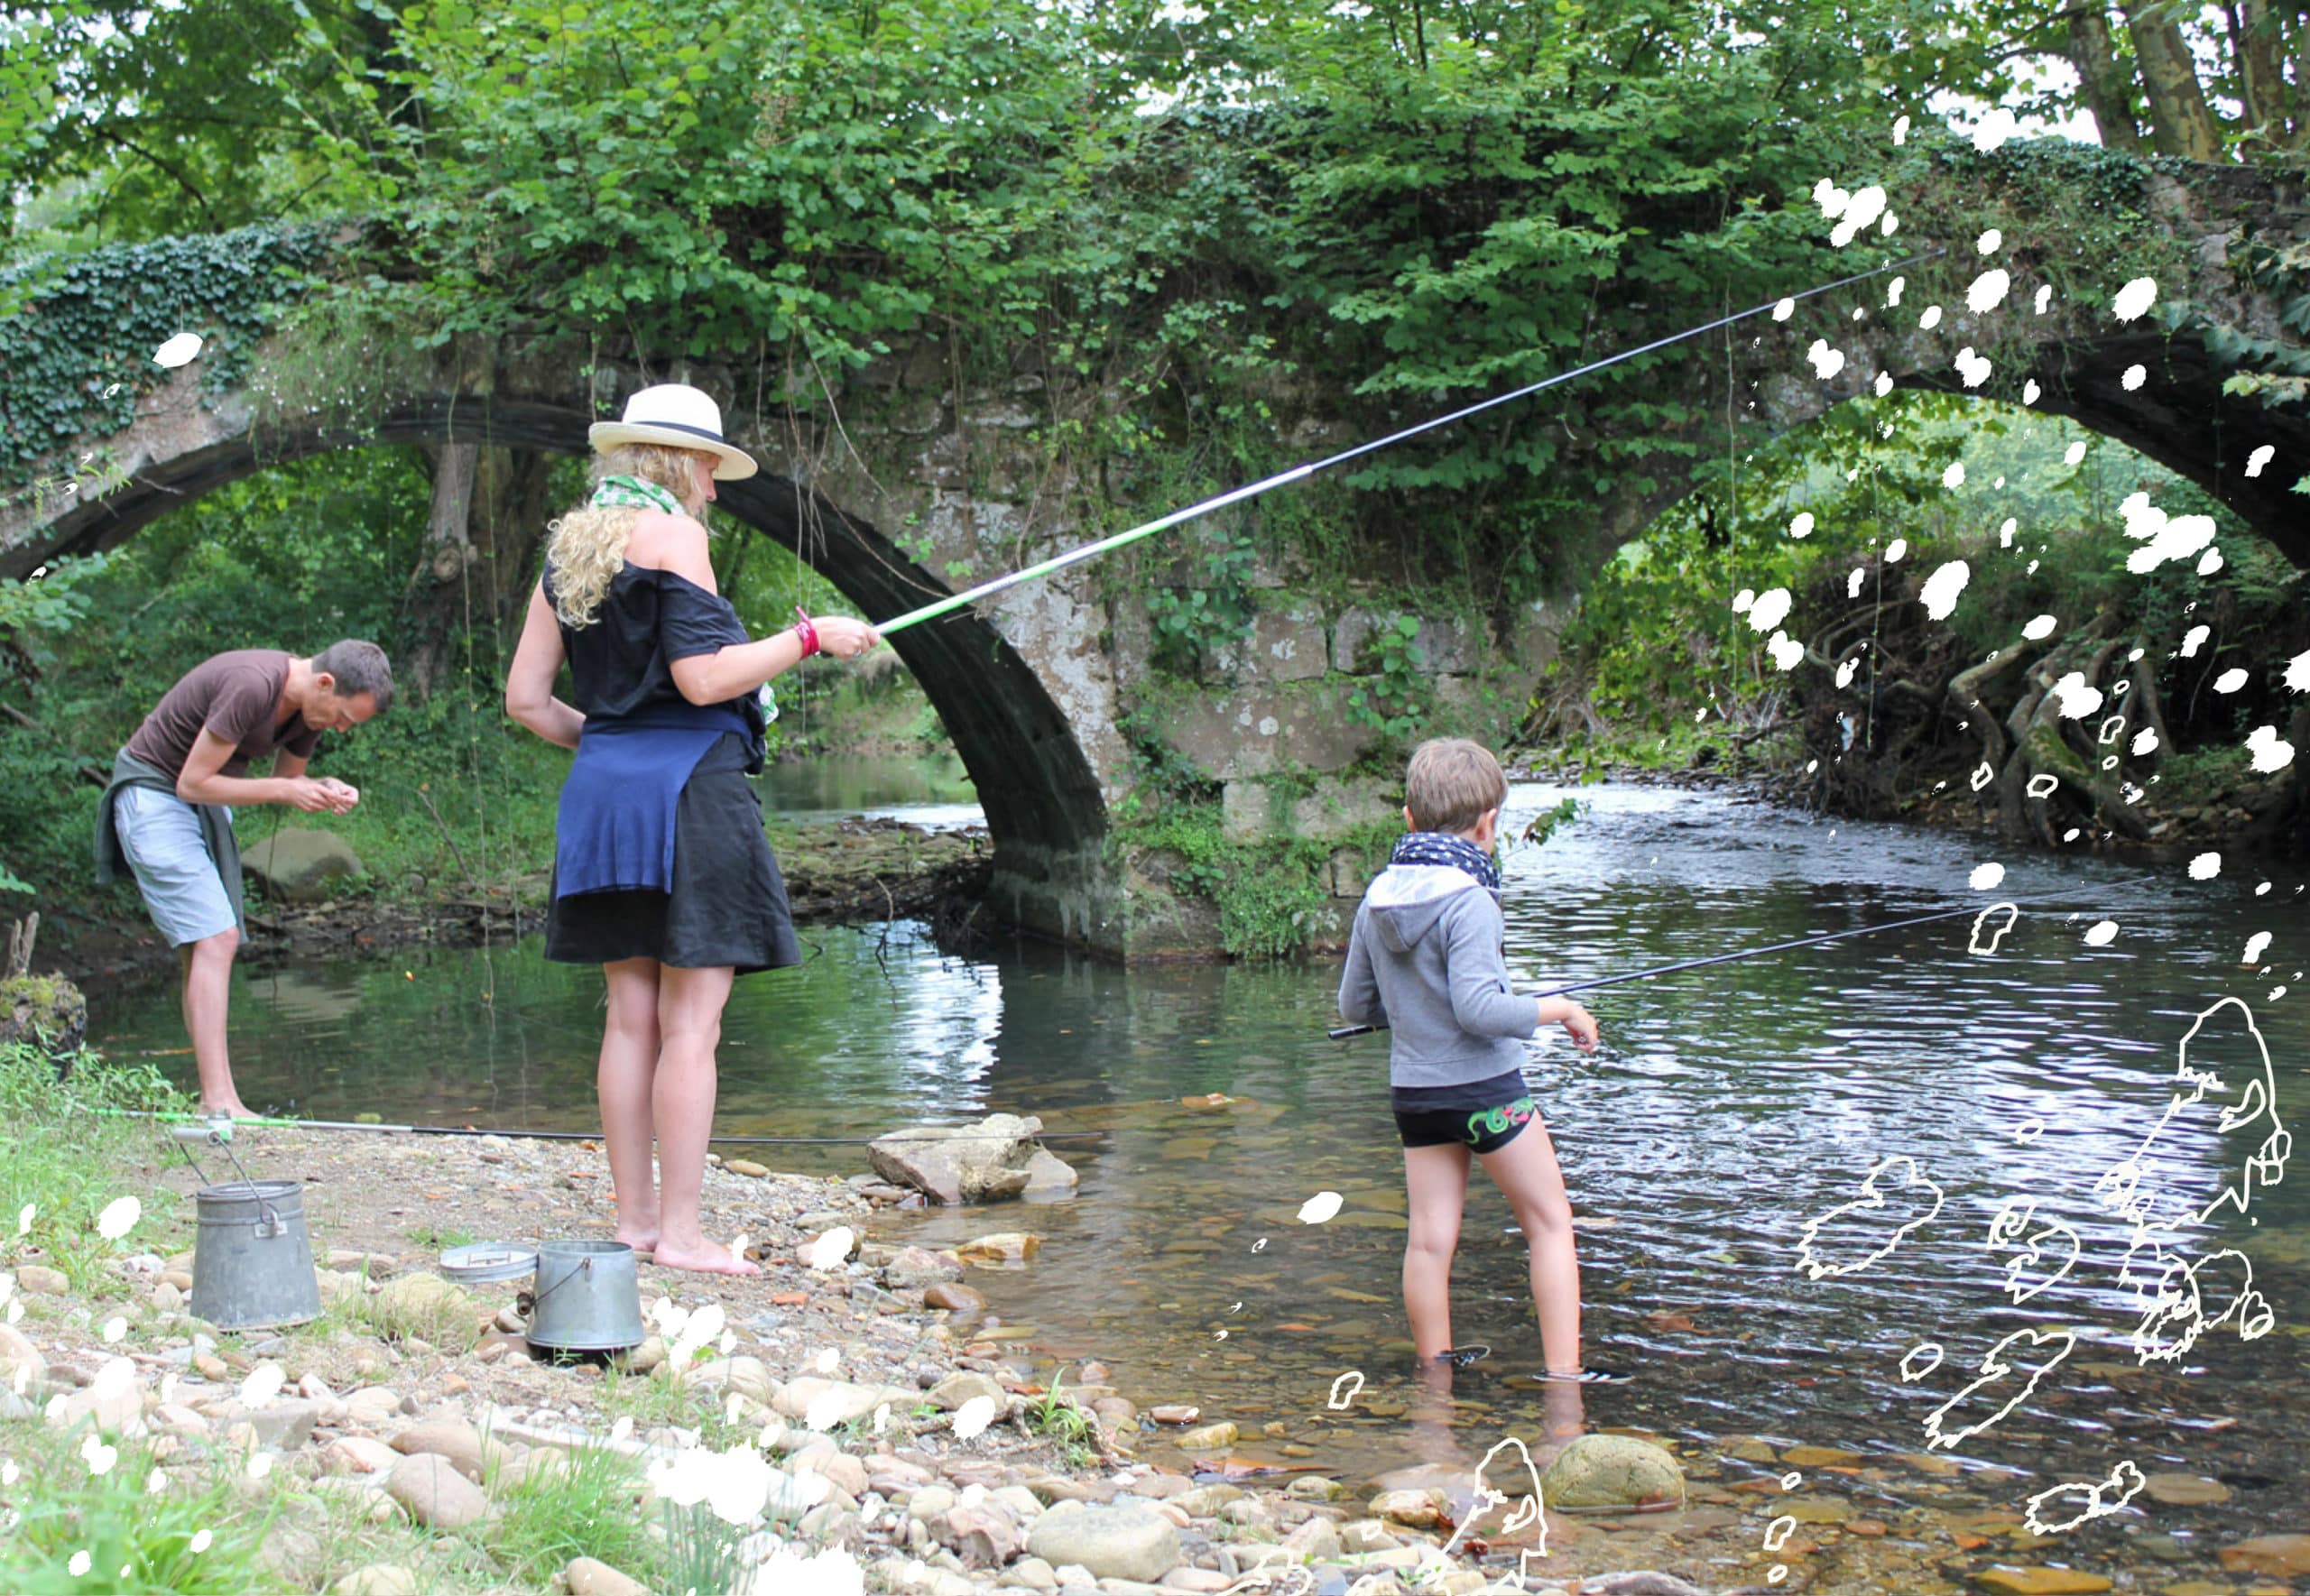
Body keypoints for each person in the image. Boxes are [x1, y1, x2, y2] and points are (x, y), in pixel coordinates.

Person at [506, 383, 879, 1278]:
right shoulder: (677, 536)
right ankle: (680, 1234)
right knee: (691, 1024)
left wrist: (609, 747)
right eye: (712, 469)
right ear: (685, 463)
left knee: (629, 1014)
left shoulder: (566, 554)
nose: (714, 489)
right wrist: (812, 637)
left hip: (603, 800)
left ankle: (636, 1223)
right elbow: (706, 678)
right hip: (687, 792)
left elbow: (526, 701)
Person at [1336, 737, 1623, 1382]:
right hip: (1486, 1093)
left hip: (1417, 1098)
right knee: (1550, 1224)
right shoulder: (1471, 898)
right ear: (1489, 822)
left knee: (1429, 1242)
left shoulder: (1377, 896)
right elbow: (1479, 1010)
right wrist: (1561, 1008)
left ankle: (1435, 1390)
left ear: (1409, 818)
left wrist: (1409, 1011)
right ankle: (1563, 1385)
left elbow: (1354, 1004)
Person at [96, 641, 393, 1118]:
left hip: (200, 804)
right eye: (343, 717)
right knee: (217, 938)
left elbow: (288, 780)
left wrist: (322, 787)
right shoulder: (252, 683)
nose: (340, 728)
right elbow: (191, 781)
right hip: (154, 794)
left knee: (205, 945)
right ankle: (220, 1102)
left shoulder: (307, 715)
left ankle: (214, 1100)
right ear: (325, 683)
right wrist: (286, 789)